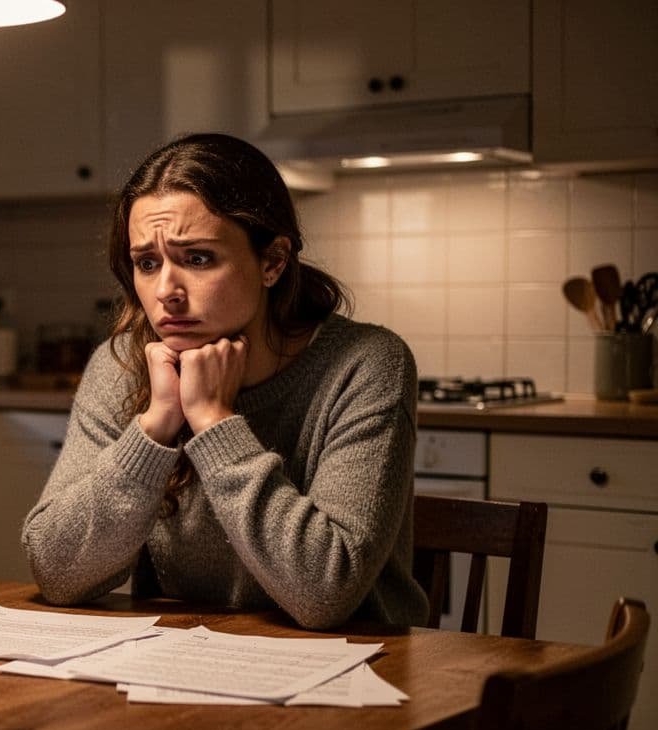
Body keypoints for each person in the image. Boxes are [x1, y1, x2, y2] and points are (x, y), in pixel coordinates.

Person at [21, 133, 427, 630]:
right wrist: (154, 428)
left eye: (198, 259)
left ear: (273, 261)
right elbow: (57, 573)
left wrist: (214, 422)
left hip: (357, 670)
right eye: (147, 263)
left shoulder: (365, 364)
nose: (166, 291)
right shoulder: (122, 366)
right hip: (184, 667)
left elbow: (326, 594)